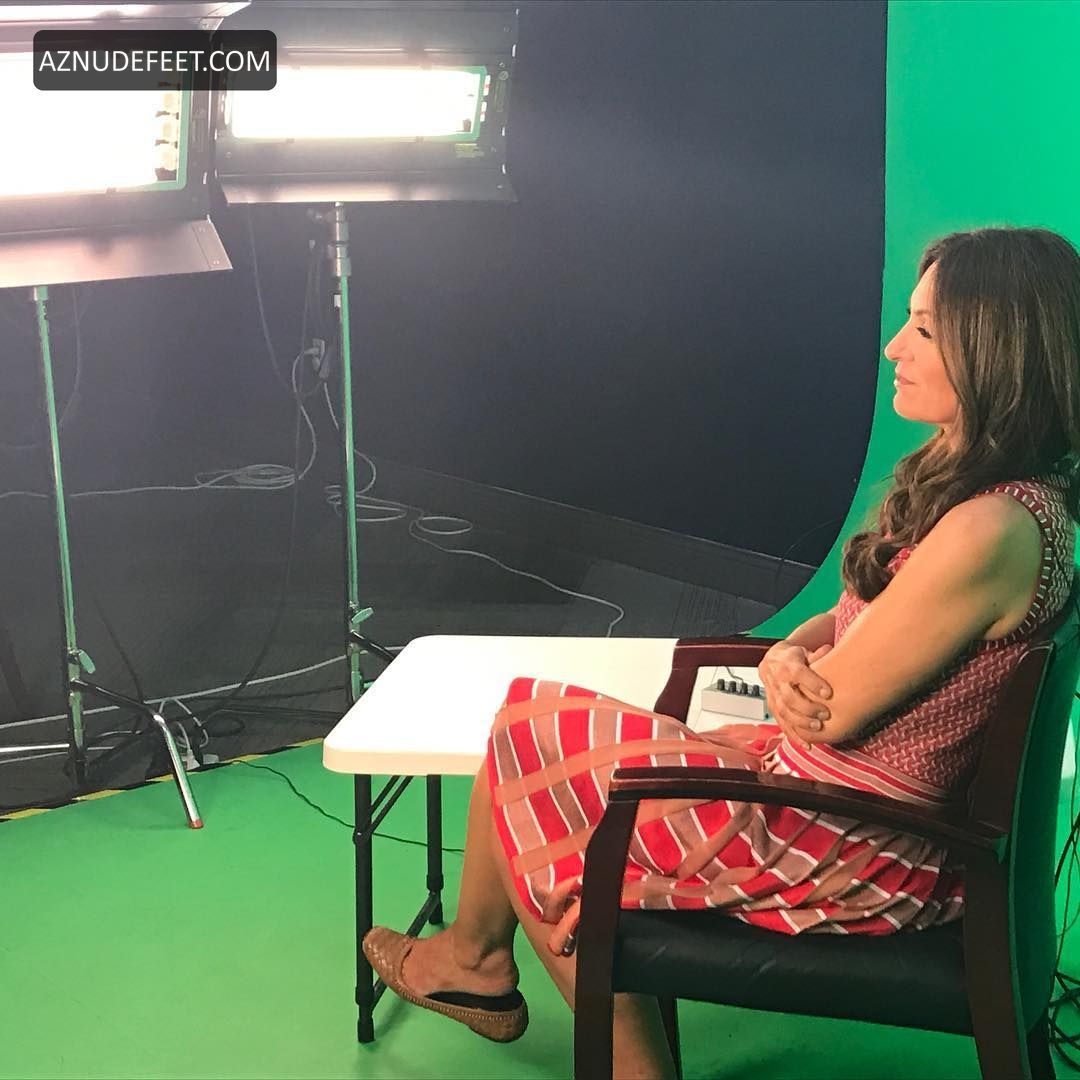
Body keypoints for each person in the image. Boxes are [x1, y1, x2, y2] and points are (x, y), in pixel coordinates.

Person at [364, 226, 1080, 1078]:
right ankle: (474, 958)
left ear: (997, 352)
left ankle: (501, 977)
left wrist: (797, 679)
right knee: (526, 720)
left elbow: (828, 715)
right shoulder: (989, 492)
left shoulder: (990, 530)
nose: (894, 347)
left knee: (539, 765)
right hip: (826, 794)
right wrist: (786, 658)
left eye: (923, 329)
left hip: (849, 840)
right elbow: (850, 624)